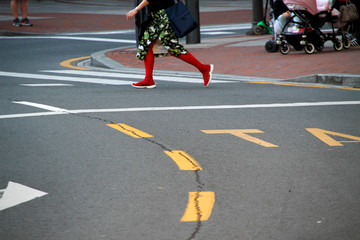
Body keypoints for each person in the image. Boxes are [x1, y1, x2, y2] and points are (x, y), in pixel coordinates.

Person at [126, 0, 214, 89]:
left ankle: (204, 68)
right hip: (156, 17)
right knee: (146, 45)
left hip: (164, 17)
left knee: (172, 47)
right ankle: (148, 80)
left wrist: (136, 9)